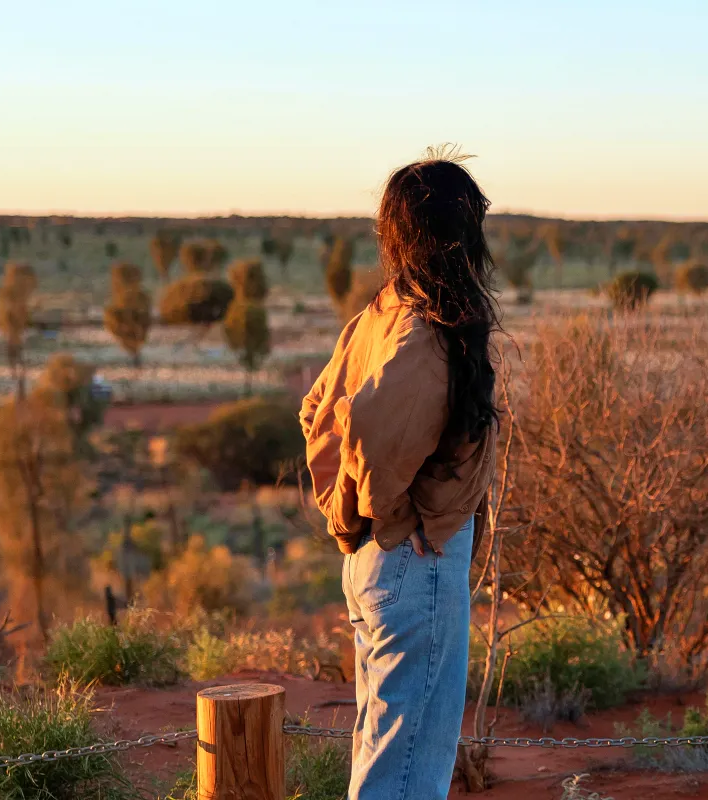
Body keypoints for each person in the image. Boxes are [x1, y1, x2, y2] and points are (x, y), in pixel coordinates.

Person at [300, 149, 501, 799]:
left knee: (388, 754)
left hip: (377, 561)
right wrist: (390, 511)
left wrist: (353, 511)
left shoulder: (383, 312)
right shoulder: (429, 318)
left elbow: (318, 409)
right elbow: (374, 421)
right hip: (414, 558)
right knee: (409, 767)